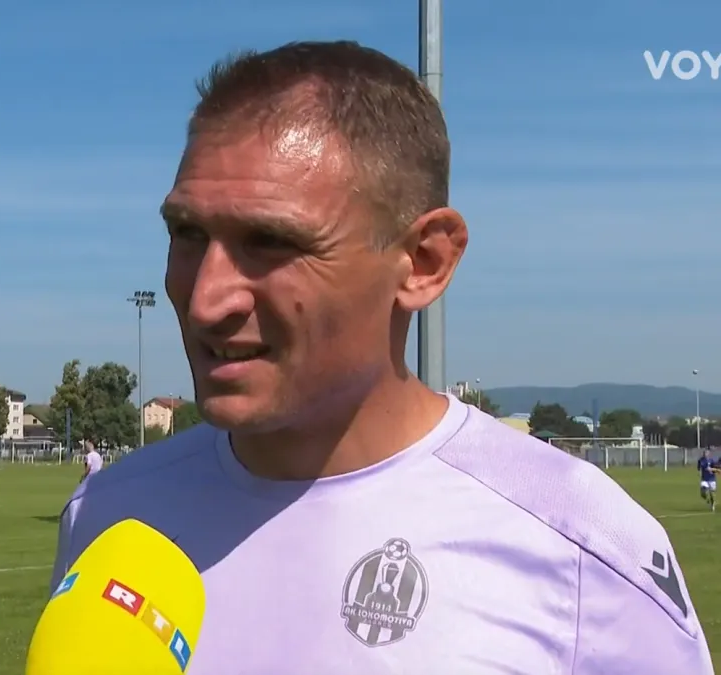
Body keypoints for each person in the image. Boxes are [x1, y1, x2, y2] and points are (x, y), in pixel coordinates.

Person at [45, 41, 711, 672]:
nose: (205, 299)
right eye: (188, 233)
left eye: (270, 242)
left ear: (423, 262)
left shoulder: (579, 546)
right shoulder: (108, 513)